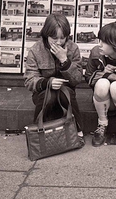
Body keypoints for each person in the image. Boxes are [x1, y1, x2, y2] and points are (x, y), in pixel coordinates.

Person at [24, 13, 85, 148]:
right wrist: (47, 82)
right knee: (49, 97)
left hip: (67, 93)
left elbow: (77, 79)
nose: (58, 42)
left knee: (65, 94)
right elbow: (29, 80)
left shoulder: (73, 48)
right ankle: (39, 134)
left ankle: (78, 131)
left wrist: (65, 60)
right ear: (46, 35)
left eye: (62, 38)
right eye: (54, 38)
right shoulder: (35, 50)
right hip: (43, 93)